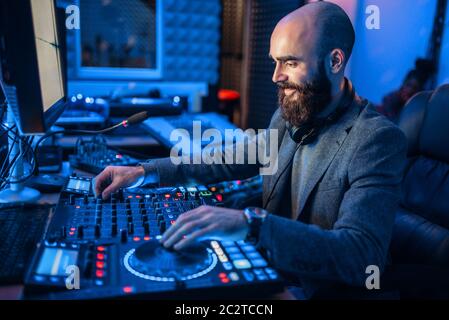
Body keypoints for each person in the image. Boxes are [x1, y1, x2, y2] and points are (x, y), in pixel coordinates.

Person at [95, 2, 407, 298]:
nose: (276, 76)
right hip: (272, 269)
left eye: (290, 62)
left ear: (335, 61)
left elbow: (361, 256)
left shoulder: (376, 139)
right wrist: (144, 171)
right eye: (275, 61)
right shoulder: (293, 113)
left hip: (318, 289)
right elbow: (227, 159)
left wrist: (252, 224)